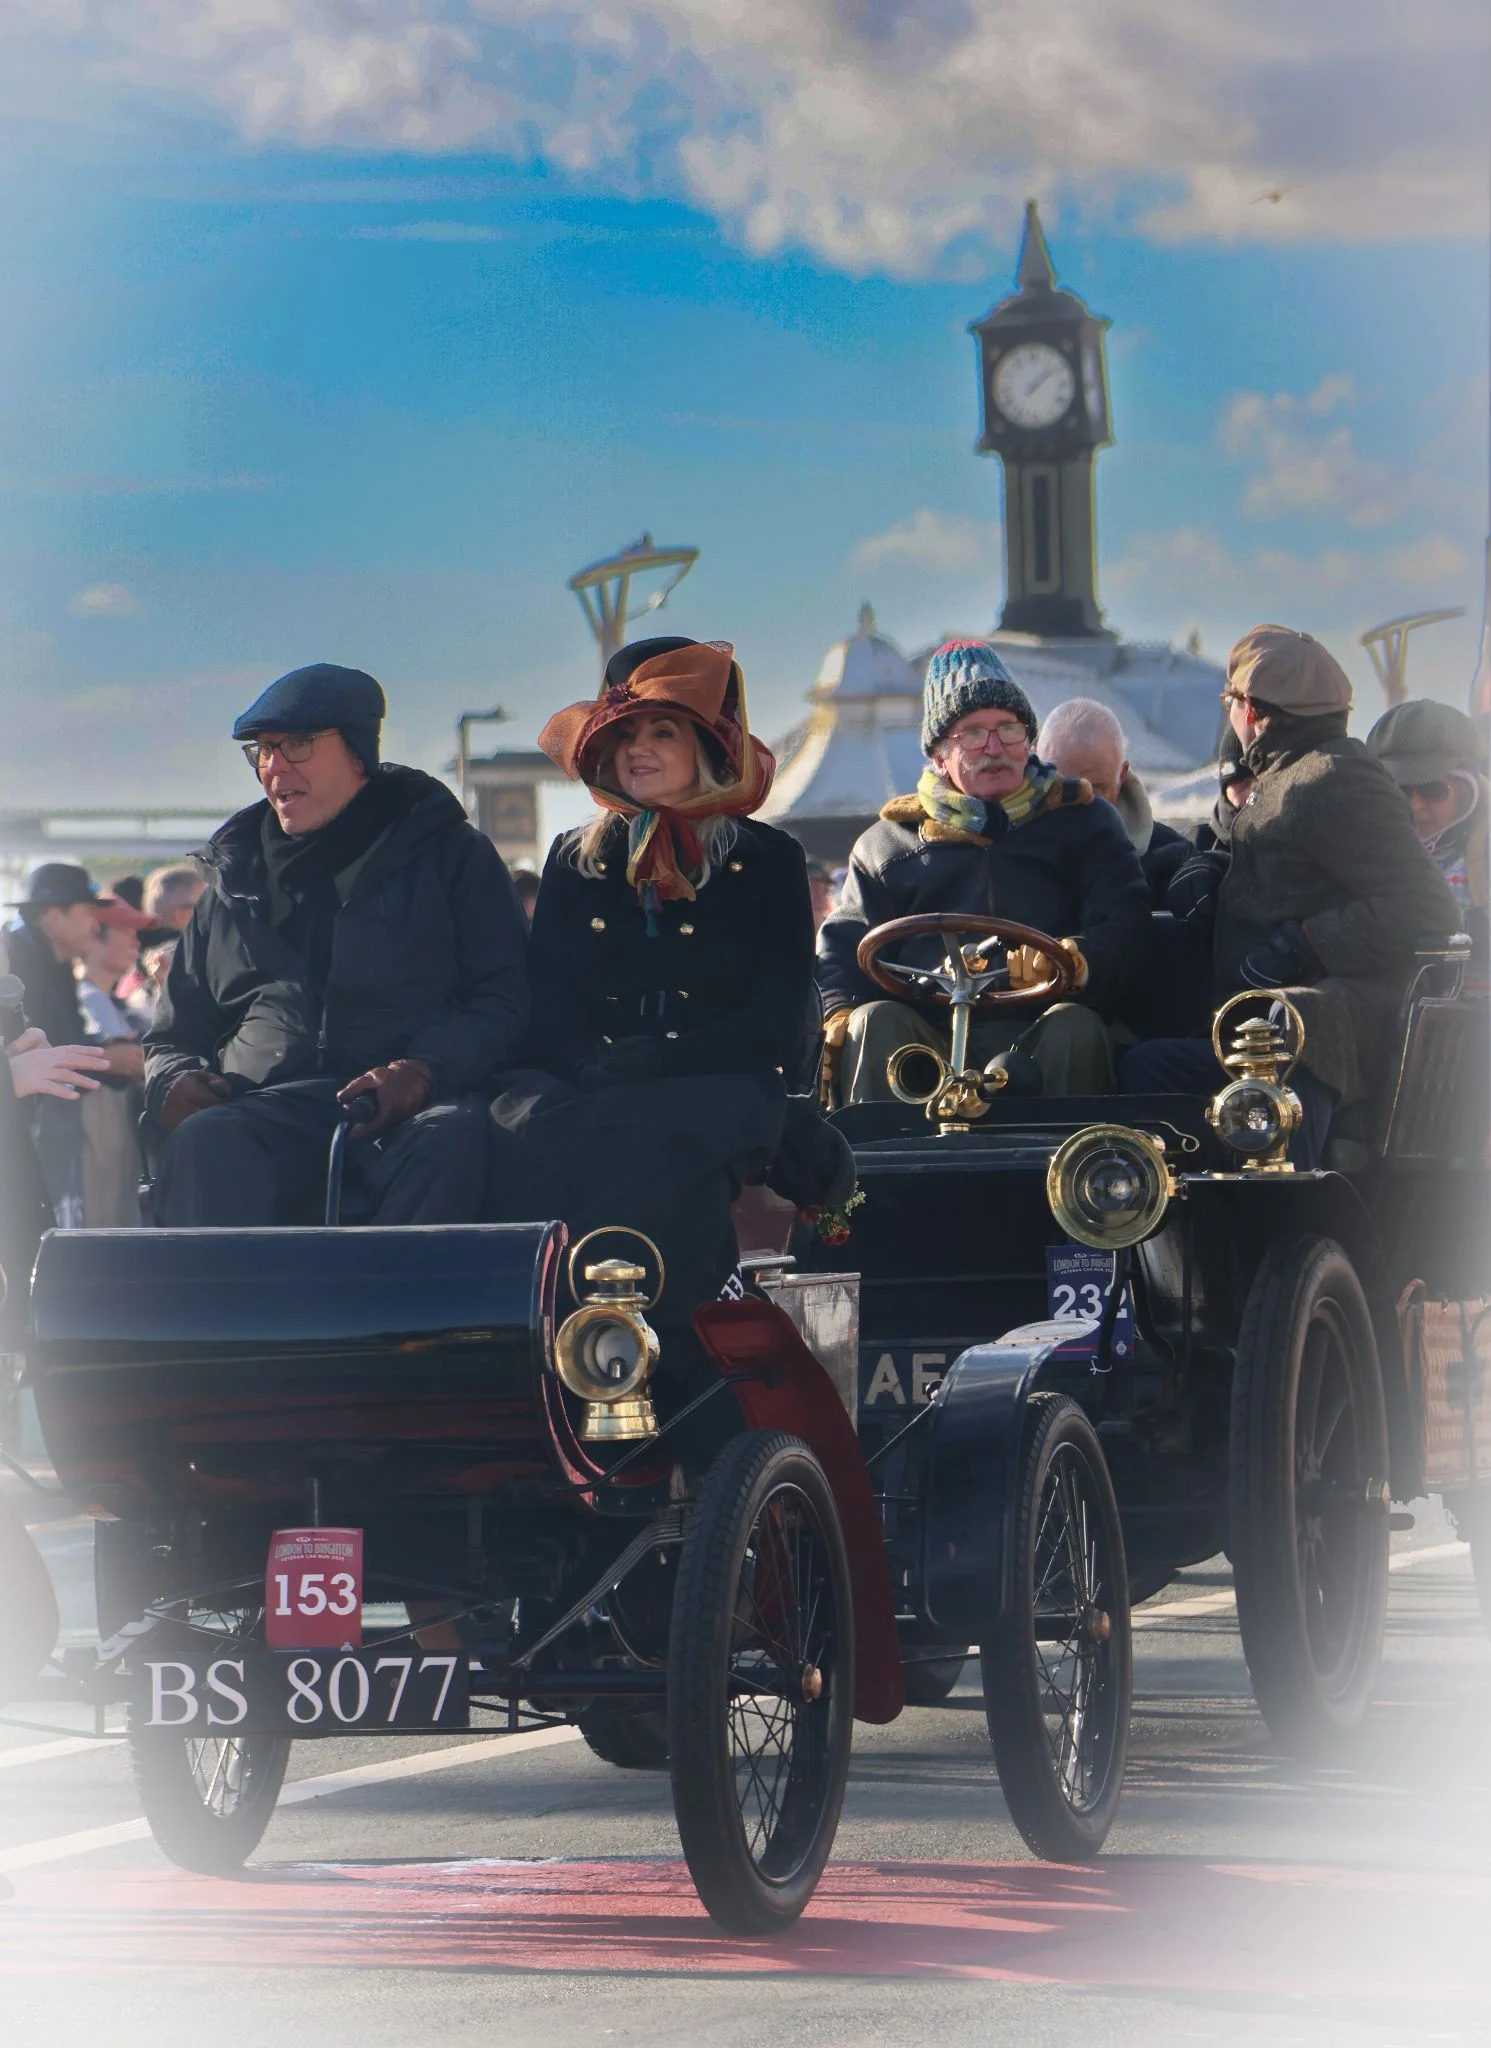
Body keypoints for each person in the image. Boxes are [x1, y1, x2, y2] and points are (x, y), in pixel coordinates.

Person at [488, 635, 831, 1321]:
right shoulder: (573, 858)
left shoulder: (768, 859)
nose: (636, 750)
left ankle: (667, 1355)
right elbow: (545, 1003)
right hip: (589, 1084)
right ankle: (548, 1351)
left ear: (706, 748)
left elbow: (777, 1018)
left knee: (661, 1151)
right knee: (506, 1138)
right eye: (623, 736)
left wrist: (665, 1058)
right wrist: (587, 1062)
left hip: (719, 1083)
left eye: (661, 731)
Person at [144, 663, 529, 1227]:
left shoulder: (451, 856)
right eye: (262, 750)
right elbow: (173, 1033)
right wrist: (172, 1082)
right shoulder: (232, 880)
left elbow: (504, 999)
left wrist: (423, 1071)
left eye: (297, 746)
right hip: (264, 1107)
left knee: (452, 1138)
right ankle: (231, 1317)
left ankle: (403, 1319)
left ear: (357, 753)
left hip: (412, 1106)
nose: (274, 768)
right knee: (207, 1140)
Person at [1121, 625, 1459, 1162]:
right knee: (1144, 1062)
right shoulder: (1288, 776)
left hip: (1321, 1031)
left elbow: (1424, 907)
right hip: (1265, 1022)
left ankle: (1290, 1216)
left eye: (1229, 701)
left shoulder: (1333, 778)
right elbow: (1283, 870)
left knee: (1167, 1068)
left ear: (1249, 711)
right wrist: (1208, 868)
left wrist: (1304, 946)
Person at [817, 641, 1150, 1101]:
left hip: (1041, 1029)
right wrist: (839, 1012)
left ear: (1029, 740)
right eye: (972, 734)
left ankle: (1074, 1166)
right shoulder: (885, 847)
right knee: (873, 1022)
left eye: (1008, 729)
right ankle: (883, 1168)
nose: (994, 748)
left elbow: (1127, 925)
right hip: (921, 1039)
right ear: (938, 754)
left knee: (1076, 1026)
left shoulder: (1085, 823)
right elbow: (841, 949)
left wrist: (1076, 961)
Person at [3, 864, 105, 1227]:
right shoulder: (15, 957)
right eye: (87, 912)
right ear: (52, 917)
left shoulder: (55, 966)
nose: (97, 924)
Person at [1366, 699, 1487, 965]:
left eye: (1433, 790)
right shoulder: (1359, 850)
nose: (1415, 806)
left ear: (1467, 792)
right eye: (1400, 791)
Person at [1037, 697, 1187, 900]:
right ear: (1035, 772)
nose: (1079, 803)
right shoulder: (1002, 849)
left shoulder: (1171, 864)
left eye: (1095, 790)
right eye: (1062, 789)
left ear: (1121, 775)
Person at [76, 896, 153, 1226]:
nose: (136, 943)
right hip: (94, 1150)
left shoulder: (116, 1003)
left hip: (117, 1151)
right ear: (95, 934)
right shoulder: (86, 999)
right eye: (127, 932)